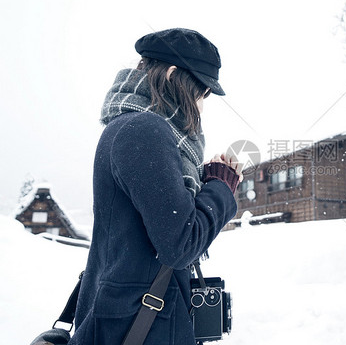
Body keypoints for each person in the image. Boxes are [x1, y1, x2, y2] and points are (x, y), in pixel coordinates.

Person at [69, 28, 241, 345]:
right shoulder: (144, 129)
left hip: (129, 319)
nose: (202, 105)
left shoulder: (129, 126)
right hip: (140, 326)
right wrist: (221, 188)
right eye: (202, 93)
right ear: (174, 74)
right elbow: (179, 243)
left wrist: (202, 182)